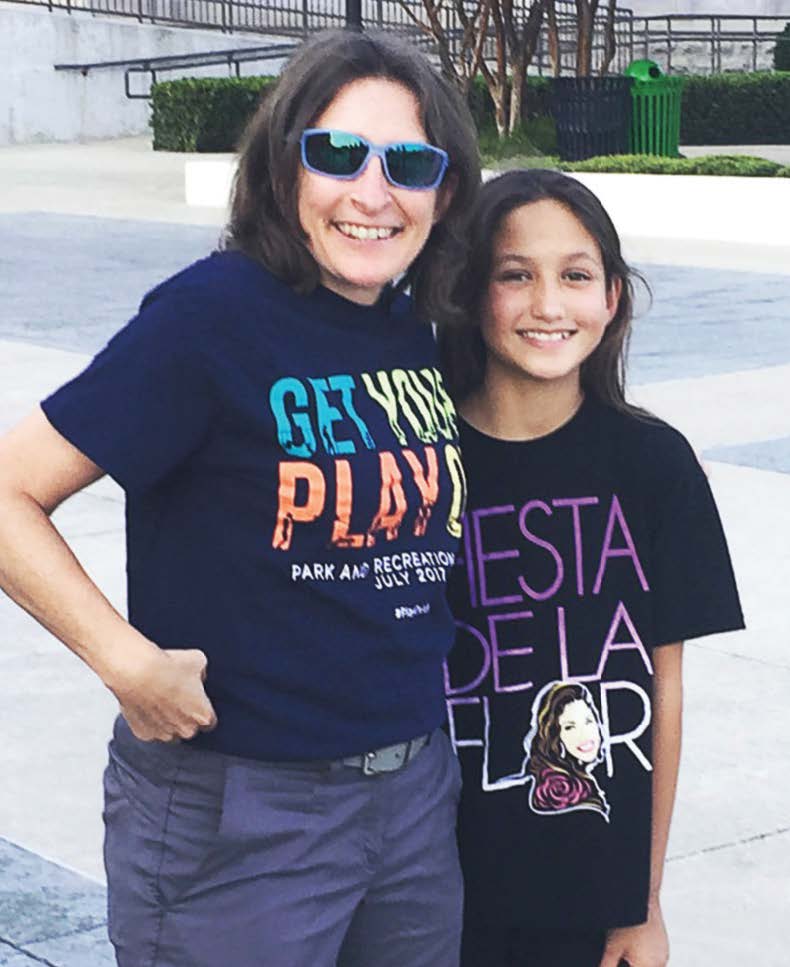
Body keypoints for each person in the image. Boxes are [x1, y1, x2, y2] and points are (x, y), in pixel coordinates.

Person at [0, 29, 480, 967]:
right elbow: (9, 490)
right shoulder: (209, 318)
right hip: (245, 810)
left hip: (415, 795)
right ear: (283, 165)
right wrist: (126, 662)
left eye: (410, 163)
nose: (372, 192)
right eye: (337, 154)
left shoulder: (412, 328)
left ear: (445, 191)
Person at [439, 168, 744, 967]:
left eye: (576, 275)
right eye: (516, 275)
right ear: (474, 296)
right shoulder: (421, 460)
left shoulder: (654, 464)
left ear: (611, 298)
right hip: (426, 886)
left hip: (589, 895)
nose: (548, 305)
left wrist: (643, 902)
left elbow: (661, 688)